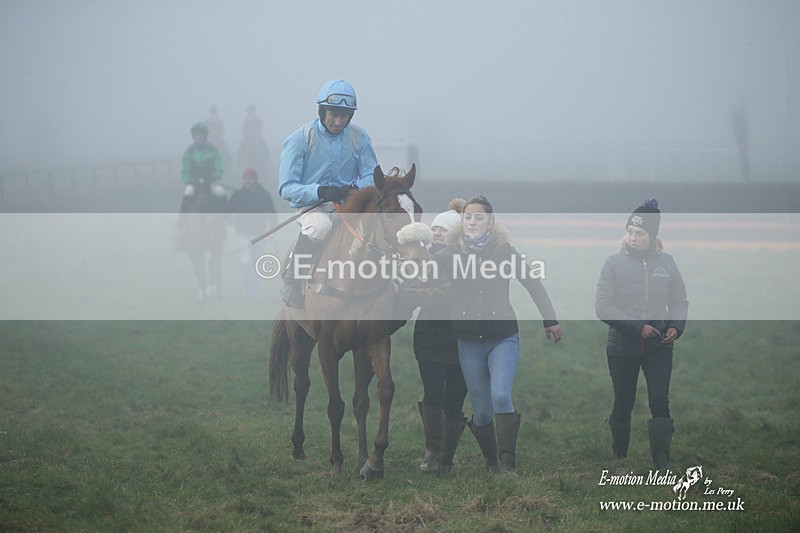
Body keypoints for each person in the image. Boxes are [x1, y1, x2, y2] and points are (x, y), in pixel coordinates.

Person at [398, 195, 563, 475]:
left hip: (503, 337)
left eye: (479, 217)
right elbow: (421, 272)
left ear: (491, 223)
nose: (472, 222)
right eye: (468, 217)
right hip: (468, 343)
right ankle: (491, 463)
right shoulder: (449, 255)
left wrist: (550, 319)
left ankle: (508, 466)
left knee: (500, 396)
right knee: (483, 412)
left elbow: (532, 282)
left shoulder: (505, 252)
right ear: (461, 222)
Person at [595, 199, 688, 469]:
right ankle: (619, 458)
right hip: (622, 346)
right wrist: (638, 327)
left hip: (659, 346)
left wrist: (676, 326)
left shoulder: (667, 263)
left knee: (660, 401)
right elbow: (603, 307)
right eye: (630, 232)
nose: (633, 238)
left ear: (652, 236)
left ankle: (662, 463)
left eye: (640, 234)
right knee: (624, 401)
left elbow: (680, 300)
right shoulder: (612, 263)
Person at [278, 79, 379, 308]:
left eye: (345, 116)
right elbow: (286, 187)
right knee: (319, 226)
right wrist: (321, 191)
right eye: (334, 114)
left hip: (349, 205)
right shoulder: (299, 139)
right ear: (322, 110)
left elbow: (371, 174)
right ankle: (293, 279)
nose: (339, 121)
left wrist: (356, 189)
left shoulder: (359, 138)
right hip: (313, 207)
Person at [413, 199, 469, 474]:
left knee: (455, 399)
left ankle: (447, 458)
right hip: (429, 337)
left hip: (462, 338)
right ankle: (432, 453)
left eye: (442, 230)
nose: (436, 233)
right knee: (433, 394)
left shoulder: (466, 260)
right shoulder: (421, 258)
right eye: (433, 228)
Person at [227, 168, 277, 302]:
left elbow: (272, 214)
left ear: (255, 180)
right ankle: (250, 292)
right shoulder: (237, 195)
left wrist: (272, 231)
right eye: (246, 179)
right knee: (245, 263)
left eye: (250, 178)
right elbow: (229, 212)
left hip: (260, 235)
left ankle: (256, 294)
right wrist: (230, 218)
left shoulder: (264, 195)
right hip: (242, 235)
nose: (247, 181)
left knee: (257, 265)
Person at [180, 122, 226, 213]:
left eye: (201, 134)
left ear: (205, 136)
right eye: (197, 135)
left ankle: (225, 217)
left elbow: (219, 167)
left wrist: (213, 177)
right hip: (194, 183)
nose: (199, 137)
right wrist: (192, 179)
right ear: (194, 136)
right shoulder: (189, 151)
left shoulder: (213, 150)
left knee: (221, 192)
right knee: (188, 192)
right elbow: (185, 170)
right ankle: (182, 219)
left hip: (209, 182)